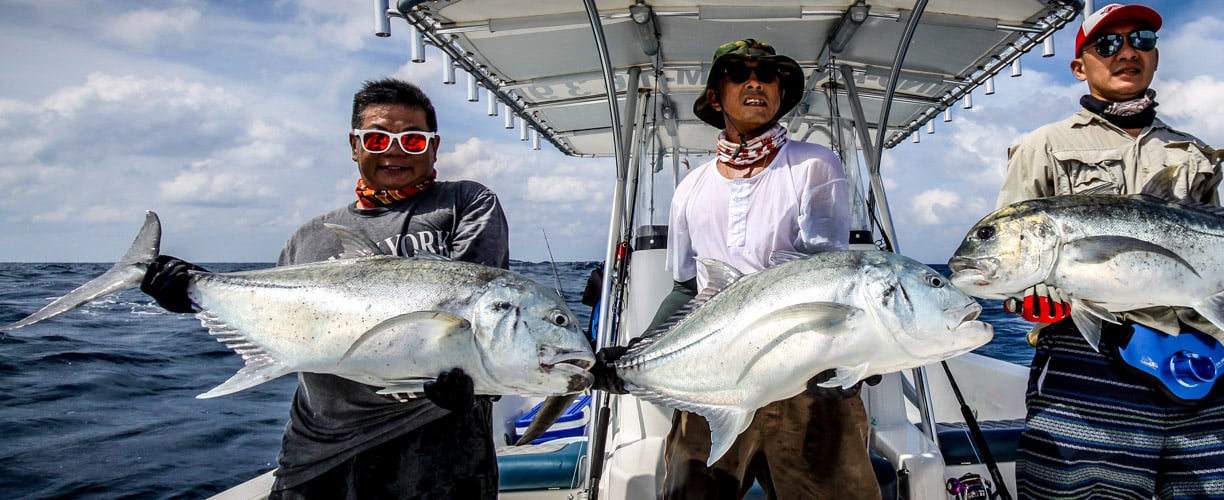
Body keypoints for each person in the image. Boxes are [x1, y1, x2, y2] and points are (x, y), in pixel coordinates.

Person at [995, 4, 1224, 499]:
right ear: (1079, 66)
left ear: (1155, 58)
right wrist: (1025, 301)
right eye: (1108, 45)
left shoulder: (1194, 150)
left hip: (1204, 352)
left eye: (1141, 40)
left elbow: (1215, 250)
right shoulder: (1041, 146)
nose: (1127, 52)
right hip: (1089, 353)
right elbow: (1012, 249)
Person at [140, 78, 509, 498]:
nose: (394, 150)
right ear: (354, 145)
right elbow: (277, 324)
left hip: (437, 446)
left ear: (434, 147)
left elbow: (477, 304)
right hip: (315, 452)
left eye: (412, 140)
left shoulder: (465, 203)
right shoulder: (307, 238)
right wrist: (193, 294)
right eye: (377, 137)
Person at [592, 38, 880, 499]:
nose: (756, 84)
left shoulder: (814, 166)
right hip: (712, 380)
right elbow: (687, 290)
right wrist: (633, 355)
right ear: (714, 96)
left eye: (768, 77)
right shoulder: (691, 188)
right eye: (739, 74)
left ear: (781, 96)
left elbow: (823, 277)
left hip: (805, 383)